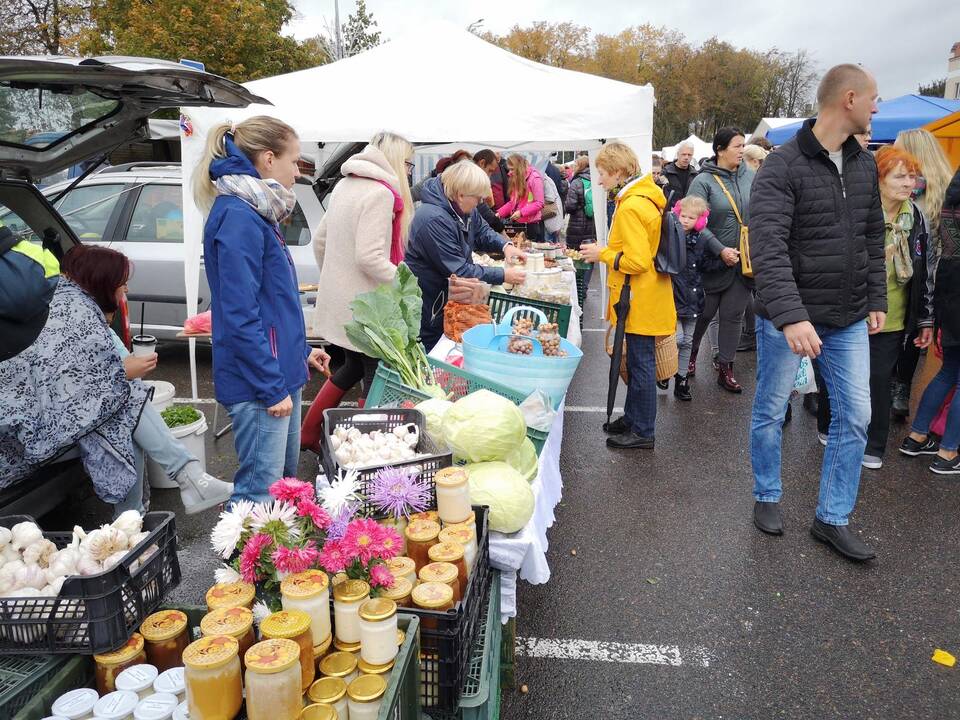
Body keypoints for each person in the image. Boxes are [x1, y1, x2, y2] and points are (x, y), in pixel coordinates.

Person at [749, 63, 883, 562]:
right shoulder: (781, 167)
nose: (876, 108)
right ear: (849, 99)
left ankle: (832, 518)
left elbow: (871, 236)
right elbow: (768, 249)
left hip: (847, 316)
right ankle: (767, 494)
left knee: (857, 417)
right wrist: (791, 316)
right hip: (791, 318)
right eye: (873, 99)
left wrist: (875, 299)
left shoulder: (866, 164)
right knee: (771, 406)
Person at [192, 116, 330, 505]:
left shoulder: (257, 209)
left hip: (276, 373)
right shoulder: (238, 216)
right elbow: (239, 316)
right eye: (294, 161)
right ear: (269, 159)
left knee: (281, 486)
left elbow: (270, 304)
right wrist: (270, 386)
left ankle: (275, 563)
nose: (297, 172)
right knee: (258, 493)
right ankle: (243, 565)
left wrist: (299, 352)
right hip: (259, 384)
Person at [62, 245, 234, 515]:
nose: (126, 290)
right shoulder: (73, 319)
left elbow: (108, 366)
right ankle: (184, 482)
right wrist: (124, 372)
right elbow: (73, 384)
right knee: (128, 405)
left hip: (96, 408)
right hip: (54, 418)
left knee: (127, 413)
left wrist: (127, 369)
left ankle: (133, 521)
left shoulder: (84, 313)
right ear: (101, 283)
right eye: (122, 283)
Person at [815, 146, 934, 469]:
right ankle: (828, 424)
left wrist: (925, 318)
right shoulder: (858, 213)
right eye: (900, 176)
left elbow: (924, 271)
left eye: (912, 176)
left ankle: (874, 445)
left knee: (879, 380)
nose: (909, 182)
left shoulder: (916, 217)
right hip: (852, 310)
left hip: (894, 316)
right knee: (837, 376)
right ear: (878, 179)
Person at [300, 132, 415, 453]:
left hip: (343, 304)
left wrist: (337, 279)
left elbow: (320, 242)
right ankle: (366, 451)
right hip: (368, 309)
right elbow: (370, 258)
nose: (408, 172)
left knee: (350, 368)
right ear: (394, 160)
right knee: (374, 376)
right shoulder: (380, 194)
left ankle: (308, 434)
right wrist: (406, 284)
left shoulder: (345, 184)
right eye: (407, 163)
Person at [579, 143, 676, 449]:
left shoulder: (633, 205)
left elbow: (636, 261)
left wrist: (602, 253)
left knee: (641, 364)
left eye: (603, 173)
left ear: (619, 172)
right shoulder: (642, 198)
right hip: (644, 296)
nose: (599, 179)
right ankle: (634, 419)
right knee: (638, 362)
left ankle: (643, 430)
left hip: (639, 297)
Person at [405, 161, 527, 349]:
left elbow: (482, 231)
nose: (480, 202)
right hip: (429, 303)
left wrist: (505, 246)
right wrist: (503, 275)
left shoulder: (461, 208)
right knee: (432, 352)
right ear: (461, 195)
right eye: (478, 198)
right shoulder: (433, 219)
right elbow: (458, 269)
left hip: (447, 297)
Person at [889, 128, 955, 419]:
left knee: (894, 334)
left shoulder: (907, 192)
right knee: (917, 335)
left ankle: (891, 389)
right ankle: (901, 390)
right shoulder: (946, 188)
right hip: (937, 280)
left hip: (906, 276)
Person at [899, 165, 960, 472]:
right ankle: (948, 453)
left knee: (949, 371)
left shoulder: (951, 200)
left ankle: (917, 435)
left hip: (949, 289)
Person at [686, 127, 755, 393]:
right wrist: (719, 250)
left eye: (743, 145)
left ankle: (726, 367)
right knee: (703, 315)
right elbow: (694, 221)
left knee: (733, 316)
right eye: (737, 146)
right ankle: (689, 357)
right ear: (720, 150)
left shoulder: (751, 175)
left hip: (743, 261)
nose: (742, 150)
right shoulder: (702, 181)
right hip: (710, 262)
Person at [669, 194, 717, 402]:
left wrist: (725, 262)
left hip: (694, 296)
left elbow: (706, 265)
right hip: (673, 296)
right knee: (676, 338)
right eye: (683, 216)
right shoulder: (671, 236)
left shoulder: (701, 241)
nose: (686, 220)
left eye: (691, 218)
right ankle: (665, 371)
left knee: (688, 341)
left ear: (700, 220)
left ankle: (681, 381)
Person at [496, 154, 545, 242]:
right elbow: (512, 202)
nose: (509, 172)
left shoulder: (534, 178)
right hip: (519, 225)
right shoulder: (517, 179)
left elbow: (539, 203)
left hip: (531, 226)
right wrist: (499, 213)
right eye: (509, 169)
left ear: (519, 168)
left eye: (512, 169)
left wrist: (521, 212)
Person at [564, 155, 596, 250]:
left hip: (577, 224)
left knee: (576, 254)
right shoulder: (596, 180)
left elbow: (570, 206)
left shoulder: (576, 182)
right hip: (593, 224)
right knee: (590, 252)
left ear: (580, 166)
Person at [473, 150, 506, 233]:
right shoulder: (469, 181)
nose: (489, 176)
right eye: (490, 171)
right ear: (482, 163)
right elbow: (481, 208)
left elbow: (481, 207)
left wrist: (499, 228)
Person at [541, 170, 565, 244]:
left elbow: (550, 198)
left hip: (550, 216)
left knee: (550, 243)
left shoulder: (545, 180)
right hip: (552, 216)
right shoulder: (546, 179)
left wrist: (538, 202)